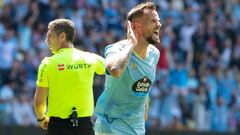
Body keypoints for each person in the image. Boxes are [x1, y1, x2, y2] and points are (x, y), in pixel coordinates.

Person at [94, 2, 162, 135]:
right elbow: (115, 70)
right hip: (110, 128)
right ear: (137, 26)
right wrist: (131, 43)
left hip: (136, 130)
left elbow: (145, 86)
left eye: (158, 21)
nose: (159, 24)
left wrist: (142, 120)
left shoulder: (155, 54)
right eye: (153, 21)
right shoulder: (116, 49)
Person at [34, 19, 105, 135]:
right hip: (84, 126)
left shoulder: (47, 64)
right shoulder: (90, 58)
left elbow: (39, 102)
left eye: (50, 36)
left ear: (62, 36)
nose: (47, 41)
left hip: (57, 128)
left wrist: (42, 118)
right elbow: (114, 70)